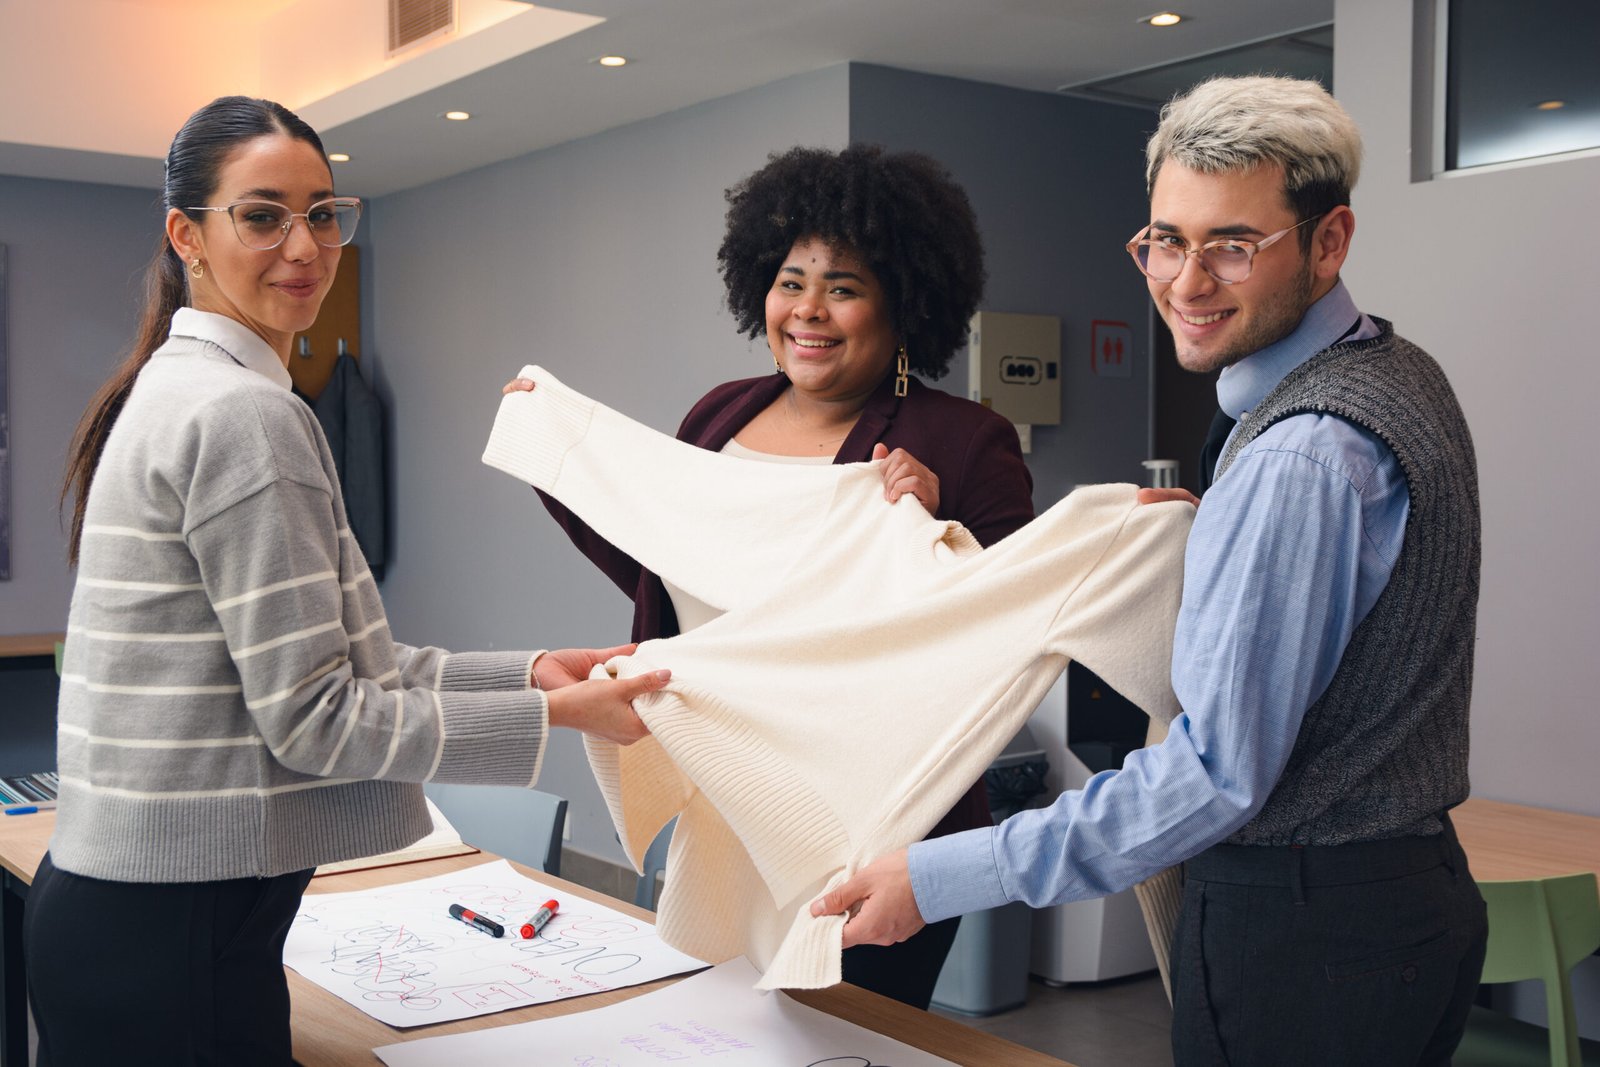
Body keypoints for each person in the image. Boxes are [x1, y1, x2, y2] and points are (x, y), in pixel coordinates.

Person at [813, 75, 1486, 1066]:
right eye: (1165, 239)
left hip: (1307, 938)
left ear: (1328, 240)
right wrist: (1219, 532)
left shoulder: (1298, 454)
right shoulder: (1393, 371)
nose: (1185, 278)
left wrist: (940, 874)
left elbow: (1215, 775)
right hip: (1393, 909)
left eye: (1232, 243)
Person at [26, 96, 667, 1067]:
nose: (303, 244)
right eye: (263, 213)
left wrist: (527, 674)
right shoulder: (245, 417)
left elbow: (334, 662)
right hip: (177, 935)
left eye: (323, 213)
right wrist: (561, 717)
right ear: (185, 233)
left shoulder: (182, 385)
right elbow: (317, 716)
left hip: (132, 919)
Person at [522, 144, 1035, 1008]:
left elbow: (1007, 637)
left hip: (866, 828)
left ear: (904, 301)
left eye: (844, 286)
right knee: (714, 1030)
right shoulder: (721, 412)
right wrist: (566, 463)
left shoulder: (965, 440)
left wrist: (941, 532)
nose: (808, 310)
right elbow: (668, 566)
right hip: (722, 800)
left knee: (838, 1036)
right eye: (790, 281)